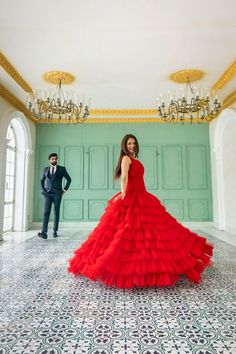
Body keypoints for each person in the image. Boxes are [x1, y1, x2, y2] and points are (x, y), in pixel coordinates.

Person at [68, 134, 213, 288]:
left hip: (142, 195)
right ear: (124, 145)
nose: (131, 146)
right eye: (129, 143)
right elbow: (124, 178)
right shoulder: (126, 158)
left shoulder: (135, 158)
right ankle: (120, 268)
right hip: (131, 196)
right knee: (124, 236)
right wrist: (123, 194)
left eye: (133, 143)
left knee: (152, 234)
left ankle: (155, 267)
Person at [38, 153, 72, 239]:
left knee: (56, 212)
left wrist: (64, 190)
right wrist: (44, 190)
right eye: (52, 159)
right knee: (46, 212)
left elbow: (69, 179)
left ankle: (55, 231)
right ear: (49, 160)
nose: (54, 160)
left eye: (55, 159)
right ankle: (44, 232)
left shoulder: (61, 169)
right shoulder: (46, 169)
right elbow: (42, 180)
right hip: (48, 194)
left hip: (57, 194)